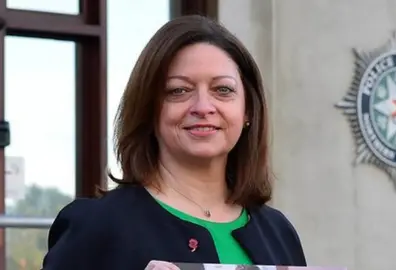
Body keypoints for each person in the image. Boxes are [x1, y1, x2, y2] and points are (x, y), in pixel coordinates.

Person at [41, 15, 307, 270]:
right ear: (149, 109)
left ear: (248, 111)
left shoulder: (278, 232)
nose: (203, 107)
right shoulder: (97, 225)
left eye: (222, 90)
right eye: (178, 91)